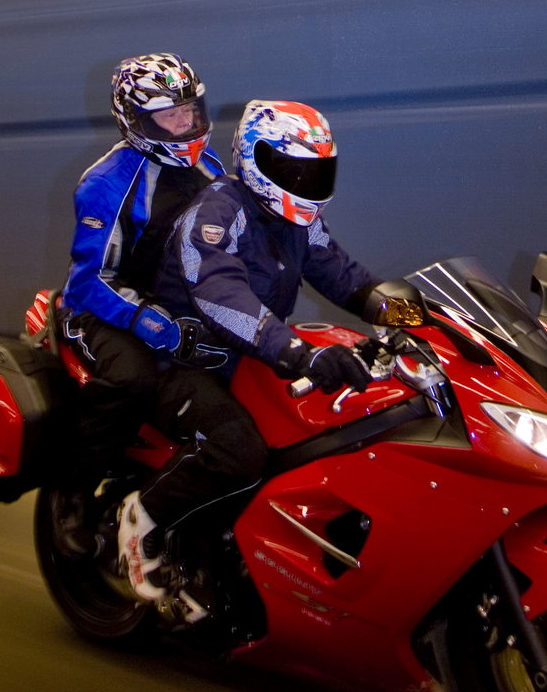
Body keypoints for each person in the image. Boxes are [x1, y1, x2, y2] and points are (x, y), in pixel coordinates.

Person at [115, 100, 382, 610]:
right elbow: (221, 295)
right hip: (184, 361)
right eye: (295, 171)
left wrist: (408, 312)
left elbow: (343, 275)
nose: (307, 184)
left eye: (317, 172)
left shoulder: (298, 221)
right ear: (257, 162)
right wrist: (298, 352)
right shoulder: (215, 215)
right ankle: (143, 517)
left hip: (247, 359)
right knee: (240, 450)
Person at [59, 53, 228, 486]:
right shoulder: (106, 183)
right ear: (136, 120)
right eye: (170, 115)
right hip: (102, 312)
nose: (185, 123)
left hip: (181, 310)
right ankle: (75, 487)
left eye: (190, 109)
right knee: (131, 379)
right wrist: (152, 322)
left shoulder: (210, 167)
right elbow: (91, 279)